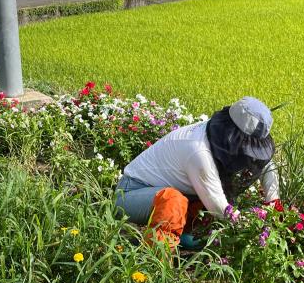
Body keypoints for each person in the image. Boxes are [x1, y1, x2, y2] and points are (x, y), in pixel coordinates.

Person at [116, 97, 280, 247]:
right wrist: (251, 227)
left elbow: (265, 164)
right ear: (232, 135)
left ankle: (184, 238)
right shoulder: (198, 150)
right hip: (130, 193)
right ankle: (156, 260)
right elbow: (218, 205)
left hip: (182, 192)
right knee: (172, 202)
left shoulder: (220, 137)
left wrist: (273, 203)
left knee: (199, 211)